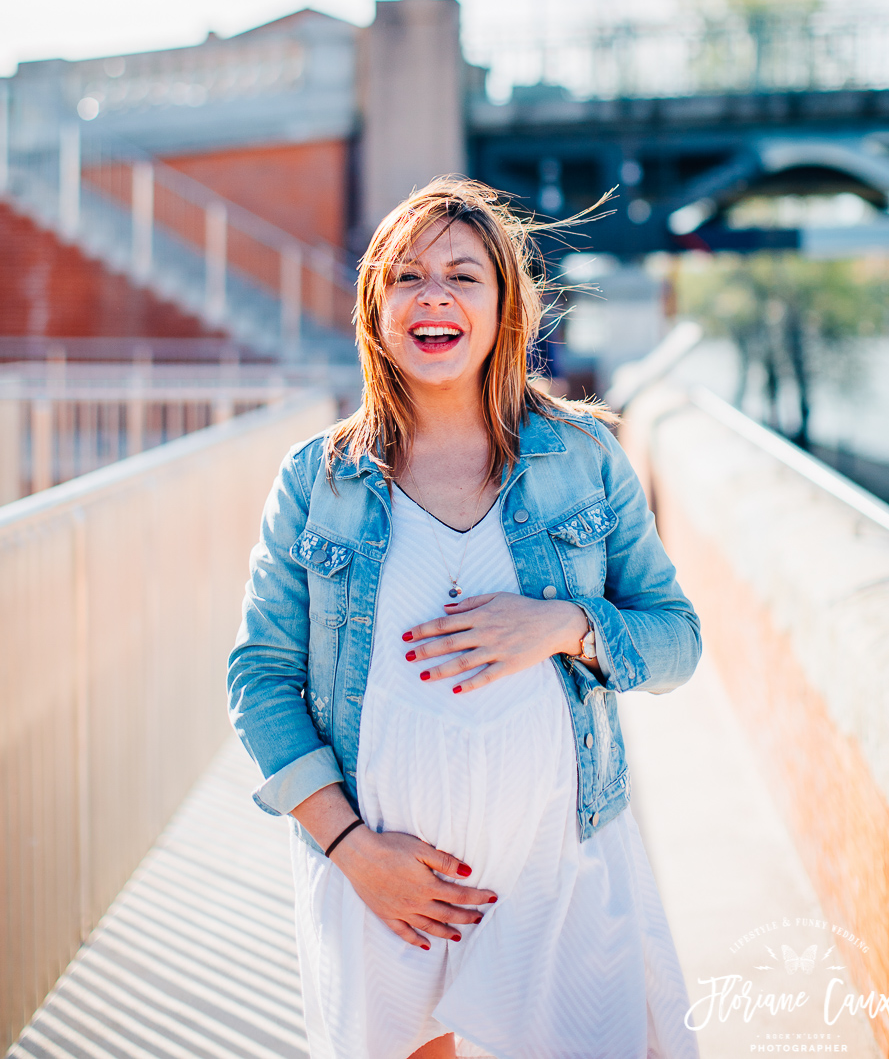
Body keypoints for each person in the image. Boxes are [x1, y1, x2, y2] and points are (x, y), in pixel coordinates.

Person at [228, 177, 702, 1059]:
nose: (433, 294)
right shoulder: (316, 482)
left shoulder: (586, 460)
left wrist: (564, 623)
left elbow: (677, 640)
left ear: (503, 305)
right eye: (406, 278)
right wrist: (353, 851)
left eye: (462, 275)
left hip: (557, 869)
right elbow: (259, 677)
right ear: (377, 309)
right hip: (381, 885)